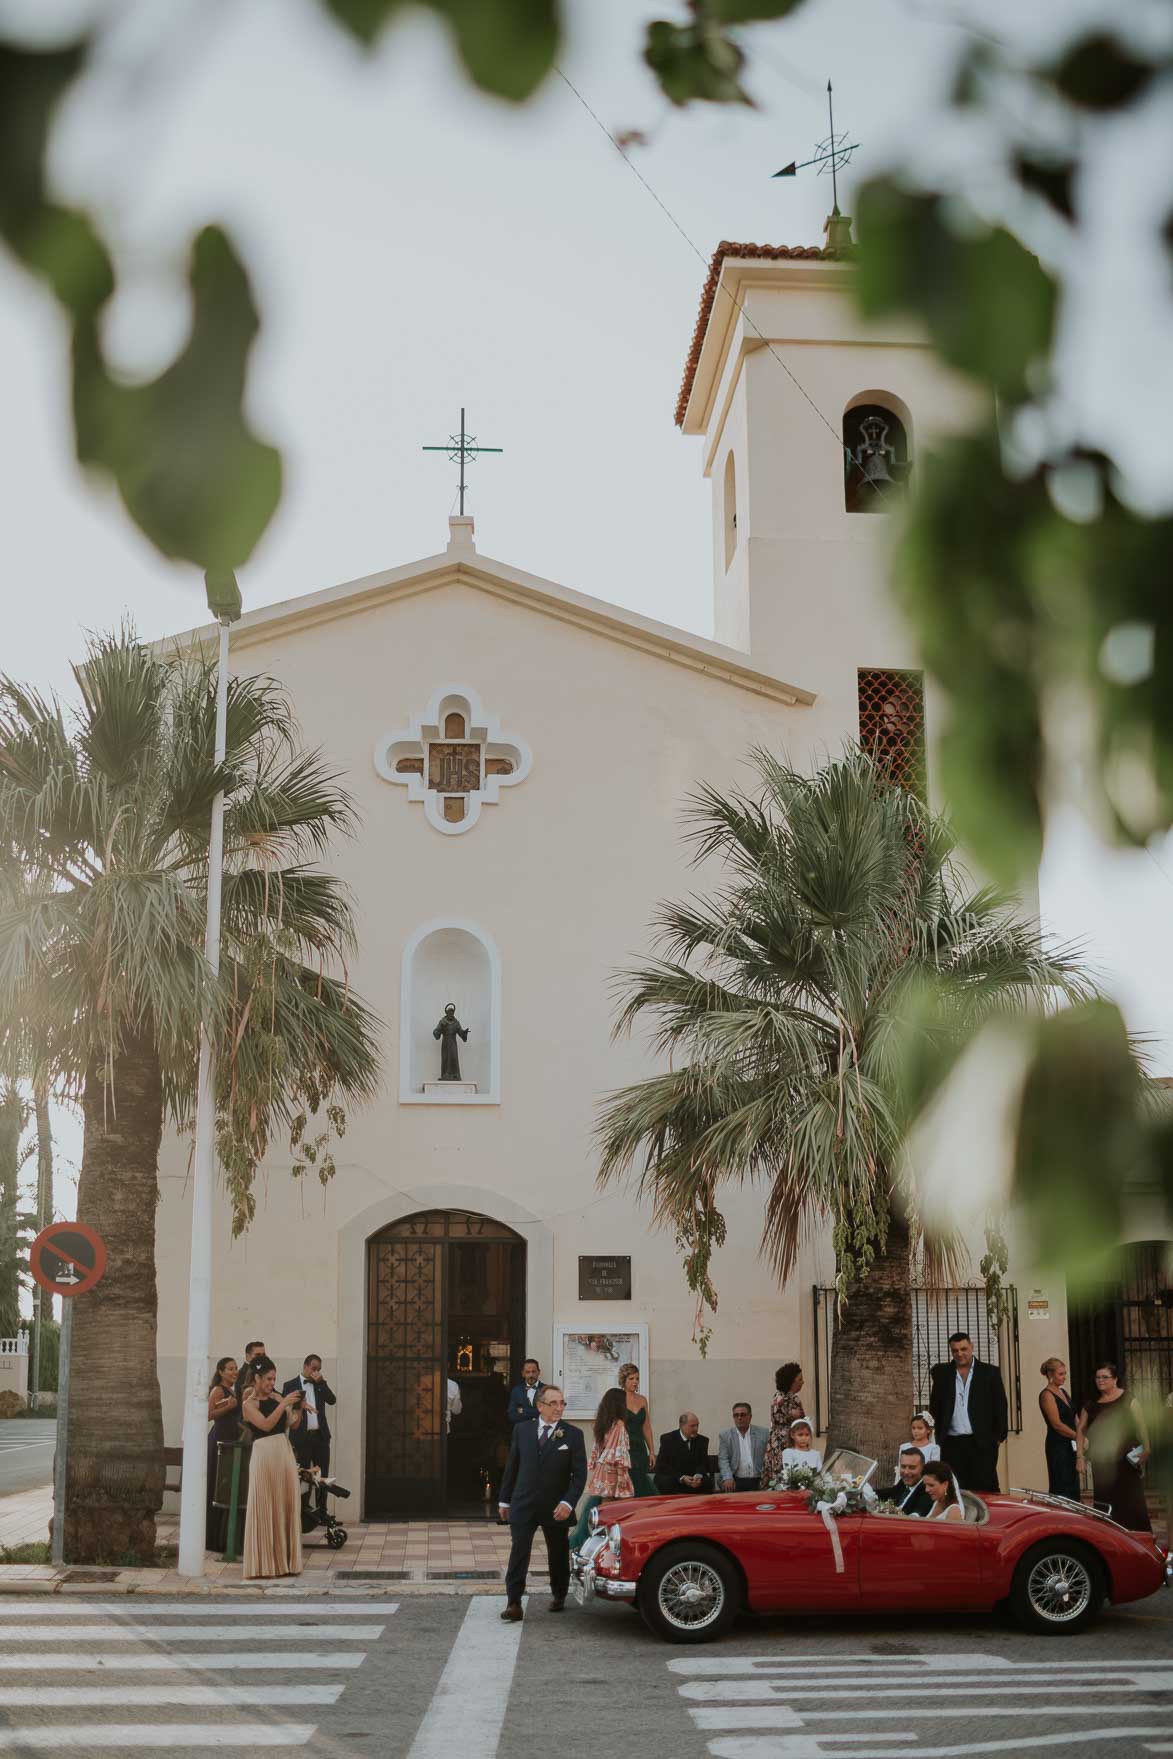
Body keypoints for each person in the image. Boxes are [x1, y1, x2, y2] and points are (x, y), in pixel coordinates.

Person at [498, 1385, 587, 1620]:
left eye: (562, 1403)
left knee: (557, 1553)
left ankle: (559, 1594)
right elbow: (513, 1466)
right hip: (523, 1502)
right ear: (540, 1406)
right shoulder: (522, 1430)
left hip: (556, 1506)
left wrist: (568, 1502)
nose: (559, 1408)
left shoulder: (573, 1435)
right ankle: (514, 1602)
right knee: (519, 1552)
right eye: (554, 1403)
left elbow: (579, 1475)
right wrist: (504, 1501)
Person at [241, 1355, 303, 1579]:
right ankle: (264, 1564)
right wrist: (284, 1404)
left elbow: (291, 1424)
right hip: (263, 1453)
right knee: (265, 1504)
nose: (271, 1383)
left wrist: (299, 1408)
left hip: (283, 1451)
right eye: (267, 1378)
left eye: (274, 1378)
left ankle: (286, 1563)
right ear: (256, 1378)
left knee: (285, 1503)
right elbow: (265, 1425)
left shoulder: (278, 1397)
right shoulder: (248, 1404)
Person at [1076, 1361, 1152, 1533]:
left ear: (1115, 1379)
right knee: (1106, 1504)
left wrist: (1147, 1448)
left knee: (1132, 1503)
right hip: (1103, 1464)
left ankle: (1139, 1542)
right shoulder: (1091, 1404)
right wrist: (1079, 1457)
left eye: (1105, 1377)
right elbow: (1080, 1430)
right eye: (1097, 1377)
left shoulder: (1128, 1399)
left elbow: (1141, 1425)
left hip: (1127, 1461)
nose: (1100, 1380)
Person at [928, 1331, 1008, 1492]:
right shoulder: (942, 1373)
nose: (960, 1354)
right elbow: (935, 1406)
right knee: (955, 1489)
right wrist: (937, 1436)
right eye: (955, 1350)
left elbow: (1000, 1406)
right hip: (951, 1443)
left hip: (982, 1443)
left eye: (963, 1349)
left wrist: (999, 1437)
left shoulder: (989, 1373)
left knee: (986, 1487)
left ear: (971, 1347)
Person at [569, 1386, 634, 1548]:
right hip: (614, 1468)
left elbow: (598, 1448)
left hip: (603, 1468)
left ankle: (601, 1538)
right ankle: (614, 1540)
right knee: (624, 1506)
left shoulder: (603, 1422)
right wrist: (621, 1474)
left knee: (605, 1507)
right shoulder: (619, 1424)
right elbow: (617, 1450)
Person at [281, 1354, 336, 1520]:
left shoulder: (320, 1384)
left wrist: (321, 1382)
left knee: (322, 1475)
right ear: (305, 1366)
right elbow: (286, 1410)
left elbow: (332, 1400)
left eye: (319, 1369)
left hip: (320, 1437)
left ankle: (322, 1511)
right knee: (303, 1475)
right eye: (313, 1368)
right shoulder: (290, 1385)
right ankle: (302, 1511)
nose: (316, 1372)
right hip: (301, 1438)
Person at [205, 1357, 240, 1550]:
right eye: (230, 1369)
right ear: (220, 1371)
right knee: (217, 1485)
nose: (234, 1372)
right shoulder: (218, 1390)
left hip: (231, 1442)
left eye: (236, 1369)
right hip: (220, 1441)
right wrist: (229, 1406)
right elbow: (209, 1414)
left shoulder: (233, 1390)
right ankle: (211, 1536)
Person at [1038, 1357, 1081, 1500]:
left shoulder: (1064, 1392)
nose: (1064, 1377)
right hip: (1058, 1447)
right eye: (1060, 1374)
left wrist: (1081, 1434)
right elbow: (1056, 1424)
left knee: (1073, 1484)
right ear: (1050, 1375)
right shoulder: (1046, 1395)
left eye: (1065, 1373)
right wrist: (1077, 1436)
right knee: (1061, 1485)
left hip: (1071, 1445)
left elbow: (1075, 1416)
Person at [760, 1363, 805, 1489]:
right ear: (791, 1381)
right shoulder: (785, 1399)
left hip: (784, 1443)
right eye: (800, 1379)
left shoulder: (785, 1398)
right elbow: (799, 1421)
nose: (803, 1382)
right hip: (785, 1444)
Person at [619, 1363, 657, 1494]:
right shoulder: (618, 1399)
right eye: (631, 1379)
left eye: (637, 1379)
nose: (635, 1382)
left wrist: (651, 1451)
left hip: (640, 1449)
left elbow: (646, 1427)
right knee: (626, 1486)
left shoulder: (642, 1400)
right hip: (624, 1448)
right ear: (623, 1380)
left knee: (640, 1483)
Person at [655, 1411, 711, 1495]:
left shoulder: (702, 1441)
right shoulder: (668, 1439)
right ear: (682, 1426)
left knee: (708, 1482)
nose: (696, 1429)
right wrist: (681, 1477)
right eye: (692, 1426)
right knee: (665, 1482)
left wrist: (698, 1475)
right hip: (676, 1478)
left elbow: (703, 1463)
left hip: (693, 1479)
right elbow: (662, 1465)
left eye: (697, 1425)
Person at [718, 1401, 769, 1491]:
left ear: (750, 1417)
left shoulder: (763, 1433)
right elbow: (723, 1459)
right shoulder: (725, 1435)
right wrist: (728, 1477)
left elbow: (769, 1456)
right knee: (727, 1484)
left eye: (743, 1415)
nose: (739, 1418)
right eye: (736, 1415)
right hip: (736, 1479)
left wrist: (768, 1475)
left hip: (758, 1478)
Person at [876, 1446, 933, 1516]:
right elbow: (891, 1492)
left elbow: (917, 1515)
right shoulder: (904, 1481)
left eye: (912, 1467)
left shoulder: (927, 1490)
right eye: (903, 1467)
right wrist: (867, 1492)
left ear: (923, 1468)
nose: (906, 1472)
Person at [507, 1359, 546, 1426]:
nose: (531, 1375)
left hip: (542, 1432)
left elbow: (548, 1413)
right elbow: (512, 1416)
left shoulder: (547, 1390)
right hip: (522, 1431)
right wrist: (537, 1411)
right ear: (523, 1373)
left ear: (538, 1372)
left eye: (533, 1372)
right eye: (528, 1372)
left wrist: (523, 1411)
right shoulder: (516, 1390)